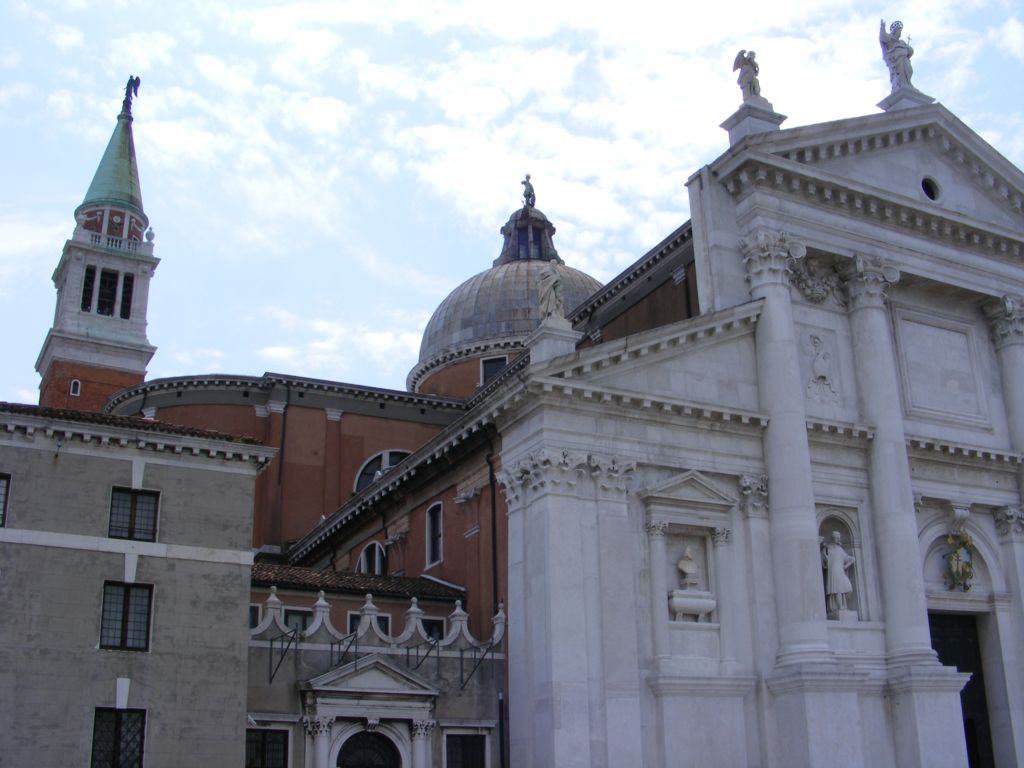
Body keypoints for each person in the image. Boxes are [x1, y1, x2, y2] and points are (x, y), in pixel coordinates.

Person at [821, 530, 855, 613]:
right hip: (833, 570)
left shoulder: (839, 549)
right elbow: (824, 560)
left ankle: (842, 605)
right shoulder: (827, 548)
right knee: (838, 589)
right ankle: (840, 607)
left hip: (840, 570)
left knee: (848, 588)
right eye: (836, 538)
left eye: (838, 538)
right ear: (833, 538)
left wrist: (846, 565)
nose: (838, 539)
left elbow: (848, 558)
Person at [879, 20, 915, 92]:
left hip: (905, 60)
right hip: (897, 60)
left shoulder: (902, 42)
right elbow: (883, 37)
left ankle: (907, 83)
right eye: (899, 31)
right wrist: (882, 28)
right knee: (900, 72)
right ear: (895, 31)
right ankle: (901, 84)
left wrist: (909, 49)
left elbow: (910, 51)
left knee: (909, 71)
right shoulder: (890, 38)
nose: (900, 33)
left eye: (901, 31)